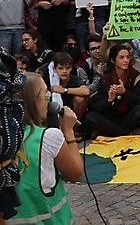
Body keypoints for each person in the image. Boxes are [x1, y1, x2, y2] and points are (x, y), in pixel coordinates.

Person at [10, 74, 83, 225]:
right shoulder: (49, 137)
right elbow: (75, 174)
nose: (49, 97)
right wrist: (68, 131)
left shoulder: (6, 138)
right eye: (45, 92)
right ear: (33, 100)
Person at [84, 44, 140, 138]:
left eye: (127, 57)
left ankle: (111, 131)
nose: (126, 60)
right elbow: (96, 106)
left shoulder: (135, 76)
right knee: (91, 116)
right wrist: (109, 100)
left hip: (129, 116)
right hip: (111, 117)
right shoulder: (106, 79)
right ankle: (125, 133)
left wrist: (125, 93)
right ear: (113, 60)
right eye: (121, 57)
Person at [38, 52, 90, 123]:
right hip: (51, 110)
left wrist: (63, 90)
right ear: (54, 69)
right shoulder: (48, 80)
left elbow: (86, 91)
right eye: (60, 68)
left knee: (80, 99)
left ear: (71, 68)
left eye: (67, 68)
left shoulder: (74, 79)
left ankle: (76, 126)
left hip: (71, 111)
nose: (64, 71)